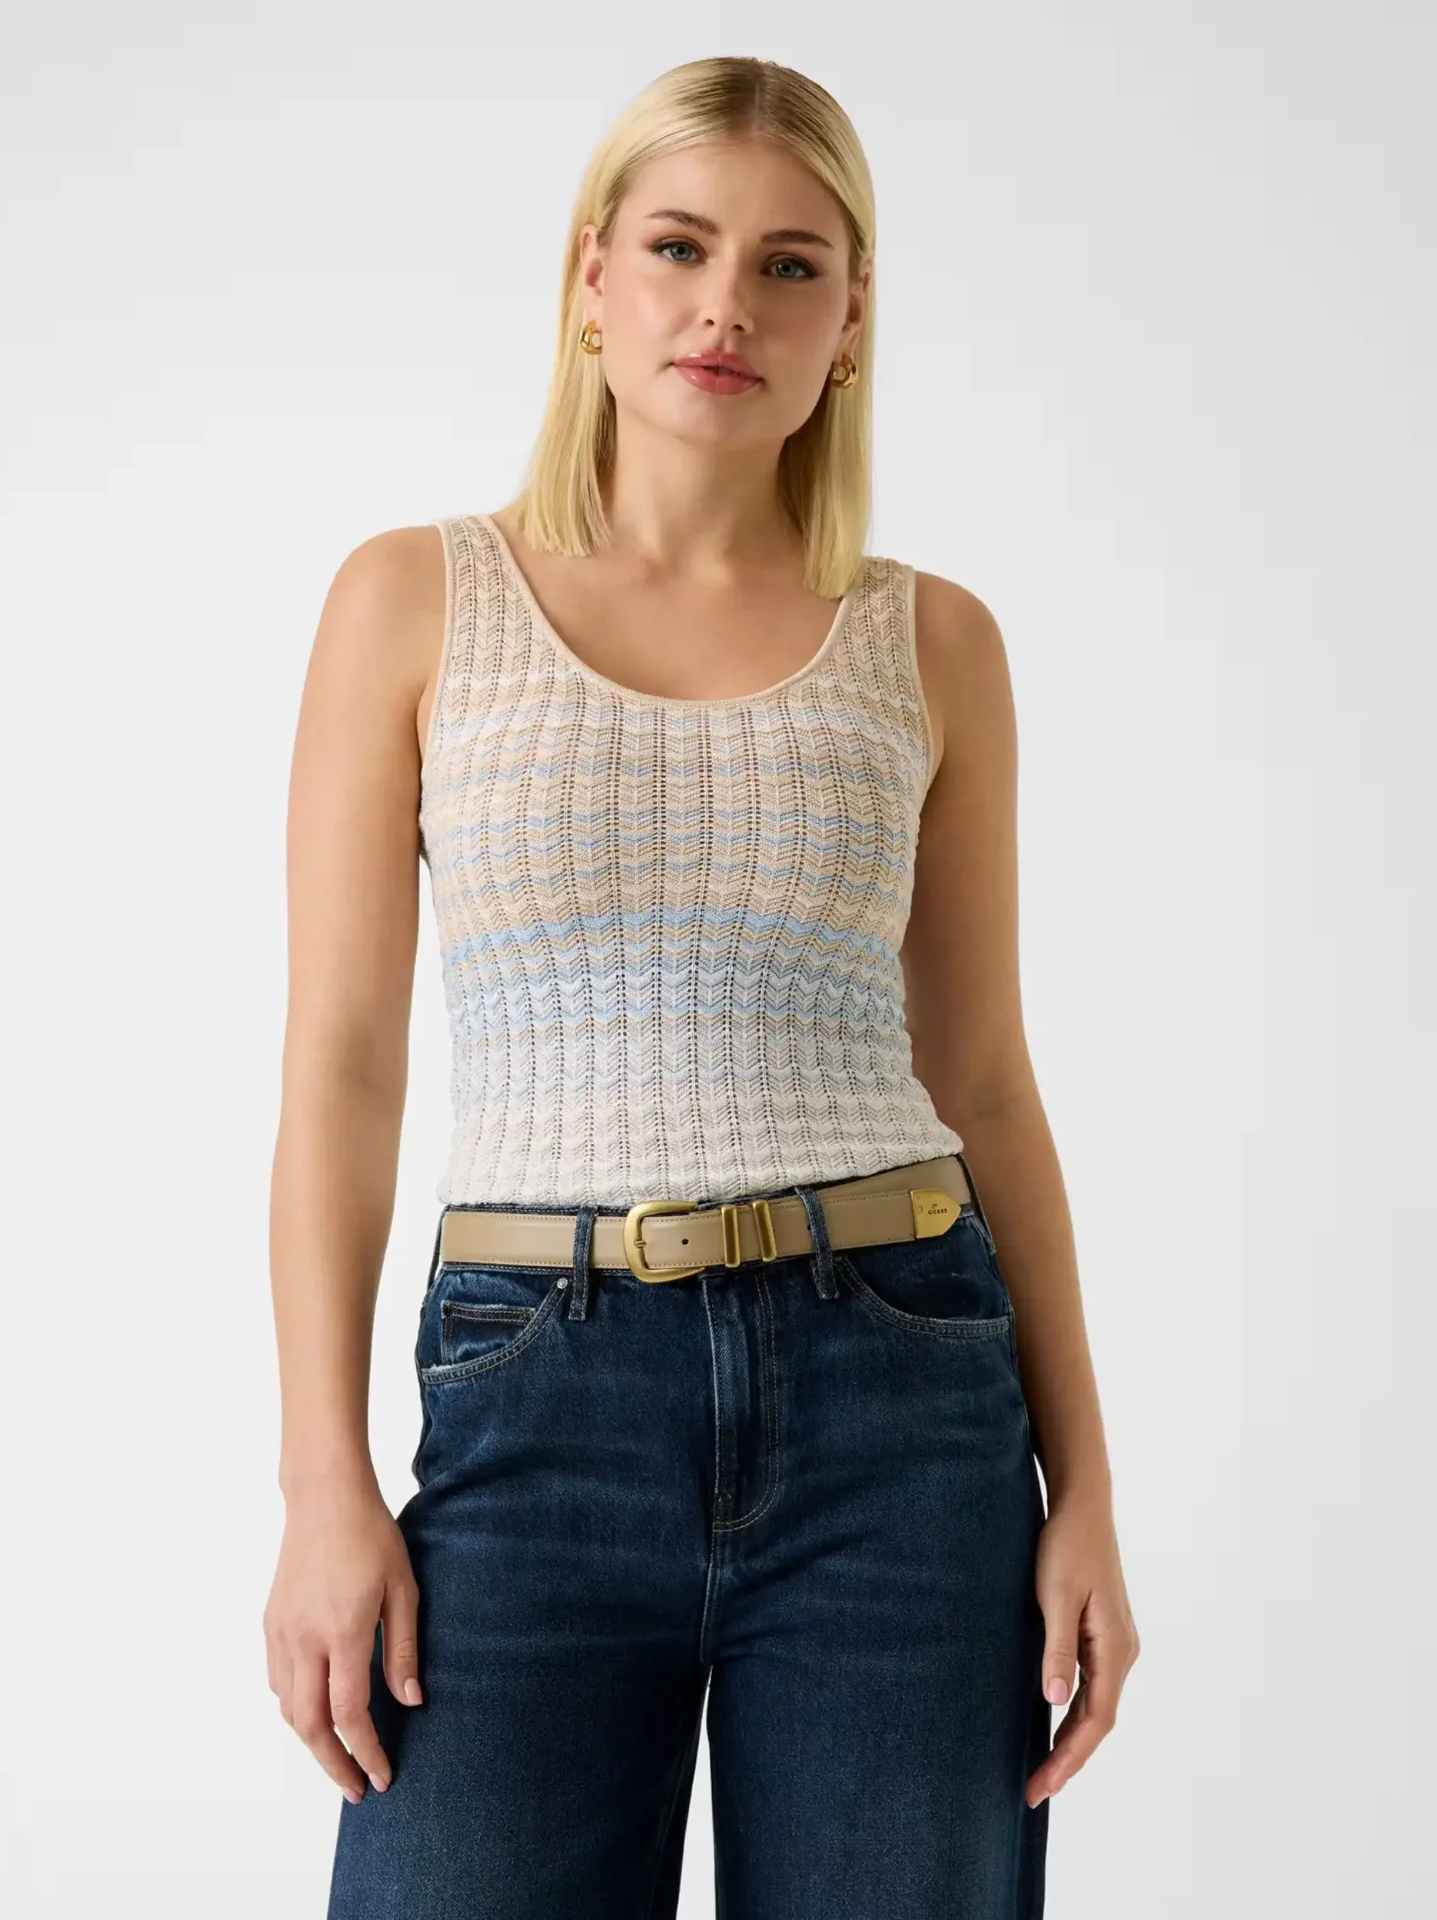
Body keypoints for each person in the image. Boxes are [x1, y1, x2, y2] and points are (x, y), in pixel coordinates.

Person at [264, 54, 1139, 1920]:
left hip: (902, 1394)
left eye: (789, 265)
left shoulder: (934, 642)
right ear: (591, 276)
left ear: (852, 318)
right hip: (534, 1393)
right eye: (679, 246)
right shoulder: (413, 603)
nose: (727, 304)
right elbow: (340, 1068)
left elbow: (985, 1077)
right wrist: (322, 1483)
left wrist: (1086, 1488)